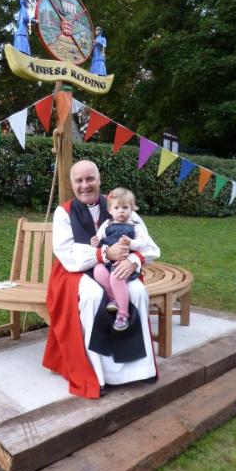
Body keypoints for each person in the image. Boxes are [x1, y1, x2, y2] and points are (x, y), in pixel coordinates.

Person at [43, 160, 160, 399]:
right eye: (79, 180)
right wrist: (104, 253)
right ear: (72, 183)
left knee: (137, 291)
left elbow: (149, 245)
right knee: (94, 296)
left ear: (99, 179)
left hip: (119, 266)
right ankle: (98, 373)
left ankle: (139, 369)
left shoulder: (120, 204)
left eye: (90, 179)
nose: (85, 185)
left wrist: (134, 260)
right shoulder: (63, 212)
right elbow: (66, 253)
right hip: (76, 270)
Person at [91, 187, 145, 332]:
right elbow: (99, 237)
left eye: (125, 207)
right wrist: (95, 242)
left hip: (123, 262)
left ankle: (122, 314)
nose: (121, 211)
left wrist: (131, 243)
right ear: (110, 210)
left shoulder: (135, 226)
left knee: (116, 277)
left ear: (132, 209)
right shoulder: (107, 224)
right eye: (116, 207)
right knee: (98, 272)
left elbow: (142, 243)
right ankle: (112, 297)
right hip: (107, 260)